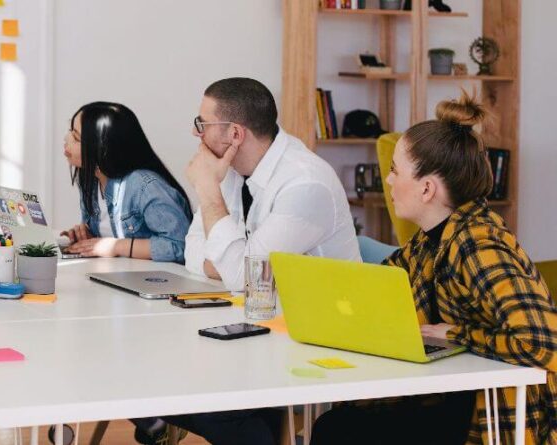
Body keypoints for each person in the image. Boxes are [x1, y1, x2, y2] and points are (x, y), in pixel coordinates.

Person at [310, 92, 557, 445]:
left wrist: (455, 334)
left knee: (337, 431)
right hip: (451, 398)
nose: (389, 180)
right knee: (337, 423)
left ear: (427, 188)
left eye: (395, 170)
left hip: (488, 417)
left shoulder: (478, 245)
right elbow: (383, 282)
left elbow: (544, 342)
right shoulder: (432, 239)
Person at [167, 78, 360, 444]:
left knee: (208, 404)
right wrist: (229, 262)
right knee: (162, 384)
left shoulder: (305, 184)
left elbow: (242, 274)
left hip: (315, 335)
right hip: (259, 323)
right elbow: (192, 249)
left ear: (235, 133)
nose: (197, 135)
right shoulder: (232, 170)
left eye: (202, 125)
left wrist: (208, 192)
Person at [60, 102, 192, 263]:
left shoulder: (144, 186)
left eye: (76, 137)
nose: (66, 139)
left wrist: (115, 246)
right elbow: (109, 234)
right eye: (70, 131)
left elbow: (180, 246)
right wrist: (89, 238)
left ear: (103, 148)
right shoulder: (91, 179)